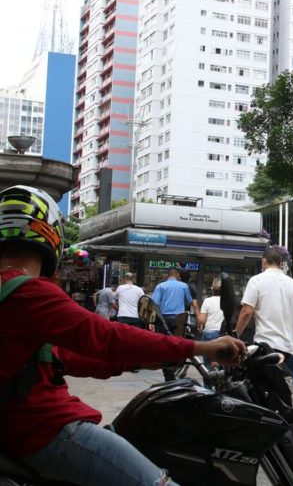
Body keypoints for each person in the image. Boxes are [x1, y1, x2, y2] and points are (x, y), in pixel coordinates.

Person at [0, 184, 245, 486]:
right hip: (43, 429)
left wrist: (138, 361)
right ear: (52, 235)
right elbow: (105, 337)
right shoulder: (28, 290)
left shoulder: (10, 292)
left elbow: (63, 357)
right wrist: (202, 347)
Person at [235, 246, 293, 380]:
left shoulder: (256, 281)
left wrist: (235, 335)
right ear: (280, 264)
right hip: (287, 349)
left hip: (264, 346)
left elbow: (247, 312)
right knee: (280, 386)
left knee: (260, 388)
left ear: (263, 261)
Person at [150, 268, 194, 381]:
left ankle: (168, 373)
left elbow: (154, 303)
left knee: (165, 346)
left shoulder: (161, 286)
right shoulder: (184, 286)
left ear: (167, 275)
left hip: (164, 319)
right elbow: (189, 301)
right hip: (179, 319)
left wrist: (152, 321)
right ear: (178, 275)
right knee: (179, 343)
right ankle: (176, 366)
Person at [198, 279, 225, 367]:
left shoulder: (207, 301)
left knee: (207, 364)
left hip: (209, 333)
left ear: (212, 289)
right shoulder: (227, 301)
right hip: (222, 334)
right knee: (222, 362)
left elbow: (201, 320)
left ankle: (209, 379)